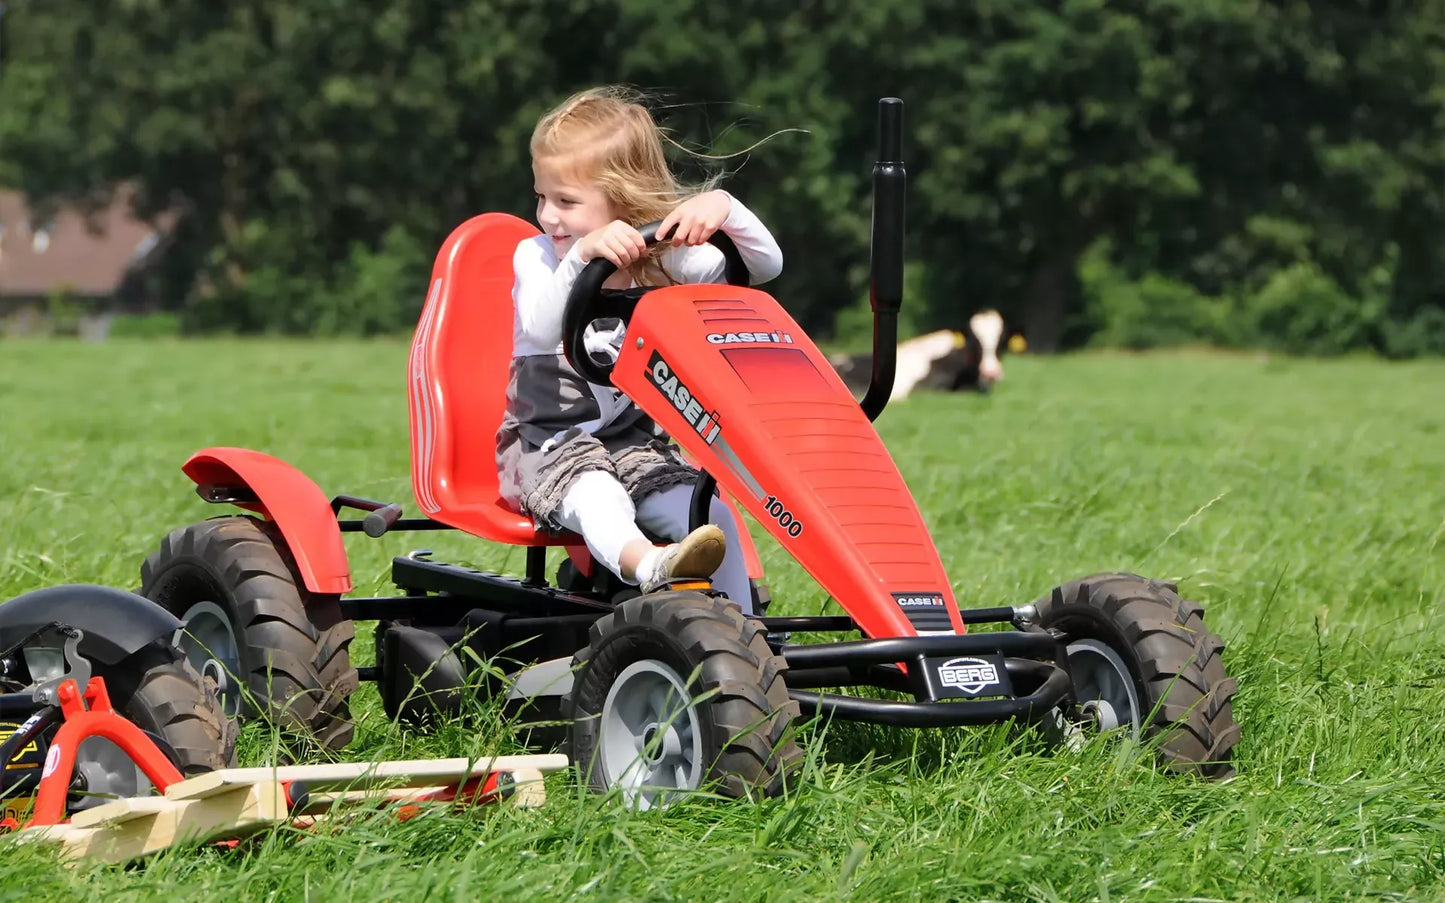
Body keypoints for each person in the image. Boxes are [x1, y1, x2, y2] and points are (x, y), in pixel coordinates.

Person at [496, 86, 783, 611]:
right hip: (547, 446)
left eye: (566, 202)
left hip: (634, 443)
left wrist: (725, 208)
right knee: (599, 495)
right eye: (542, 196)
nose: (548, 217)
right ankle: (649, 565)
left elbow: (763, 267)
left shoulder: (662, 263)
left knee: (710, 514)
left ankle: (746, 630)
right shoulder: (536, 258)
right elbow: (540, 328)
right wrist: (583, 255)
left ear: (623, 202)